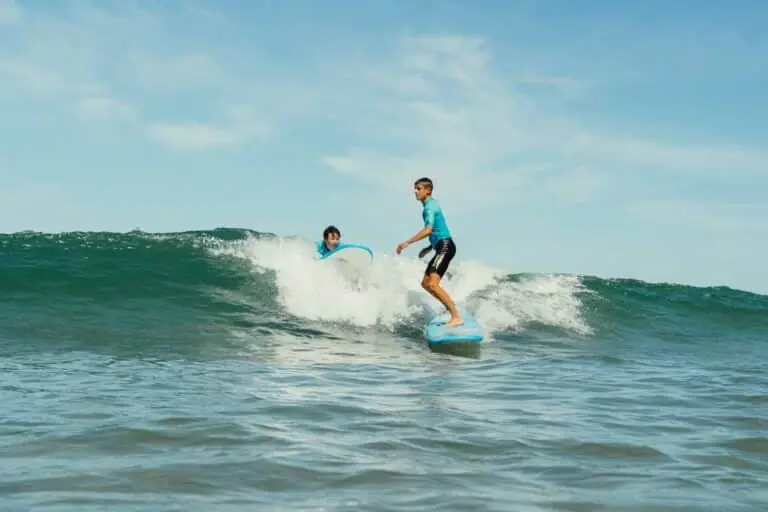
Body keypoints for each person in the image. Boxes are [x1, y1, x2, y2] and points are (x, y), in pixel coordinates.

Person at [396, 177, 463, 328]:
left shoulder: (429, 208)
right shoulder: (431, 204)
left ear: (428, 190)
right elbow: (438, 231)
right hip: (442, 246)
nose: (415, 192)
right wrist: (429, 248)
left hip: (445, 246)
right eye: (415, 188)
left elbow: (429, 230)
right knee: (425, 283)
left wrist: (407, 242)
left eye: (418, 189)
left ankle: (456, 315)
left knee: (432, 284)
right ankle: (450, 307)